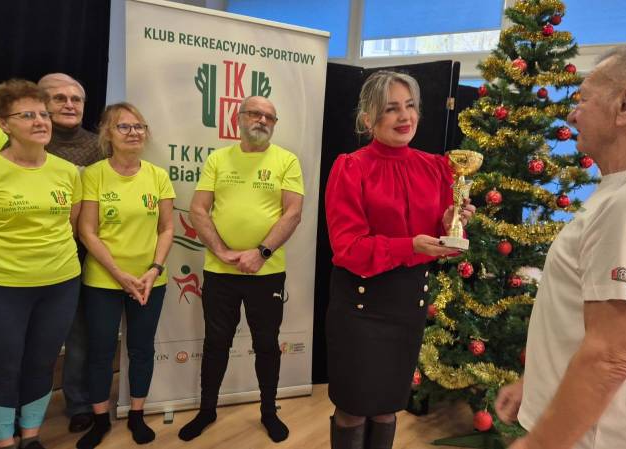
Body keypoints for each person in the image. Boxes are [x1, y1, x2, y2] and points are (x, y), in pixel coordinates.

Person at [494, 44, 626, 449]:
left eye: (583, 100)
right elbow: (593, 323)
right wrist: (536, 383)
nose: (573, 116)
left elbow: (610, 357)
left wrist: (537, 445)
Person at [324, 70, 476, 449]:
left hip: (408, 304)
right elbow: (348, 248)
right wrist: (412, 246)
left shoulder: (436, 167)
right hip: (360, 305)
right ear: (368, 118)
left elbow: (446, 243)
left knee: (387, 408)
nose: (405, 116)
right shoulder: (351, 167)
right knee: (353, 409)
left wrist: (451, 222)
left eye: (410, 106)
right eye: (391, 108)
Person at [179, 95, 304, 444]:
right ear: (239, 118)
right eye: (255, 114)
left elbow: (293, 213)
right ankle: (207, 410)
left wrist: (261, 253)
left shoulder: (286, 160)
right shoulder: (218, 159)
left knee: (266, 344)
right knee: (216, 342)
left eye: (269, 117)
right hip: (220, 273)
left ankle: (268, 412)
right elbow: (198, 209)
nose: (262, 120)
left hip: (267, 273)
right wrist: (220, 251)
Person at [75, 103, 175, 449]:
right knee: (101, 351)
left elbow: (167, 228)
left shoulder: (158, 176)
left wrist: (154, 270)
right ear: (107, 133)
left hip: (150, 281)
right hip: (103, 280)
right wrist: (119, 274)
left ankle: (136, 414)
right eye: (124, 127)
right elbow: (87, 231)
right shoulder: (93, 175)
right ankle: (100, 420)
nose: (133, 132)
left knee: (142, 348)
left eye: (139, 126)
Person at [0, 79, 83, 449]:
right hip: (4, 286)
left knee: (42, 362)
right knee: (4, 363)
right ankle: (3, 439)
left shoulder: (66, 171)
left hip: (60, 283)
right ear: (4, 124)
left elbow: (71, 224)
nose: (41, 121)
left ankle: (30, 435)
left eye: (43, 114)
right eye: (27, 115)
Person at [37, 73, 103, 434]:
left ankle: (78, 402)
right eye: (59, 98)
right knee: (31, 339)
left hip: (84, 255)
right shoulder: (25, 146)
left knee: (80, 335)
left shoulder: (100, 147)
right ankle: (21, 412)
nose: (69, 105)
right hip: (31, 257)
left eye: (76, 99)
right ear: (41, 104)